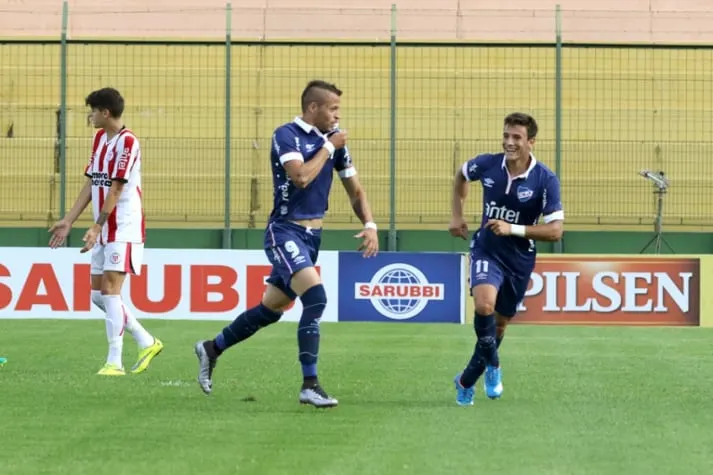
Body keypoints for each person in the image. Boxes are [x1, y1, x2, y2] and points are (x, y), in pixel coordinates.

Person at [194, 79, 379, 407]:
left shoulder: (333, 143)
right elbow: (301, 177)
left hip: (312, 237)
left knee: (272, 309)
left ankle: (212, 348)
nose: (337, 116)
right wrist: (329, 147)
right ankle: (310, 384)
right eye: (332, 109)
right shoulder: (287, 135)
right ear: (313, 108)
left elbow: (356, 190)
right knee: (317, 298)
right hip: (284, 231)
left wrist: (370, 224)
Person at [449, 112, 564, 406]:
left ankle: (465, 380)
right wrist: (457, 215)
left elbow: (555, 231)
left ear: (531, 142)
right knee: (484, 305)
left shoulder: (545, 179)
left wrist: (512, 228)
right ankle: (495, 365)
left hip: (519, 260)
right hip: (486, 250)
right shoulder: (488, 164)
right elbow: (462, 174)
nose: (509, 142)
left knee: (499, 326)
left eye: (516, 137)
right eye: (506, 136)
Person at [49, 87, 163, 376]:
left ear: (105, 112)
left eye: (92, 111)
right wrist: (69, 220)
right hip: (102, 229)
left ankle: (114, 362)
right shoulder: (100, 138)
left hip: (123, 227)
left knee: (110, 292)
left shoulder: (129, 143)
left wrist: (98, 225)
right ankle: (146, 340)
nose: (89, 116)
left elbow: (116, 187)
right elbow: (92, 182)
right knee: (98, 295)